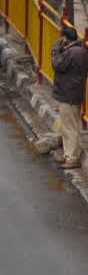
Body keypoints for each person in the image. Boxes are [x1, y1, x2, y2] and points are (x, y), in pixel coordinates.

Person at [51, 27, 88, 169]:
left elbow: (57, 65)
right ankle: (69, 155)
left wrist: (55, 50)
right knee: (71, 126)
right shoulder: (82, 51)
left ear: (65, 38)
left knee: (69, 128)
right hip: (76, 92)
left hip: (68, 94)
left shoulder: (72, 52)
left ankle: (72, 158)